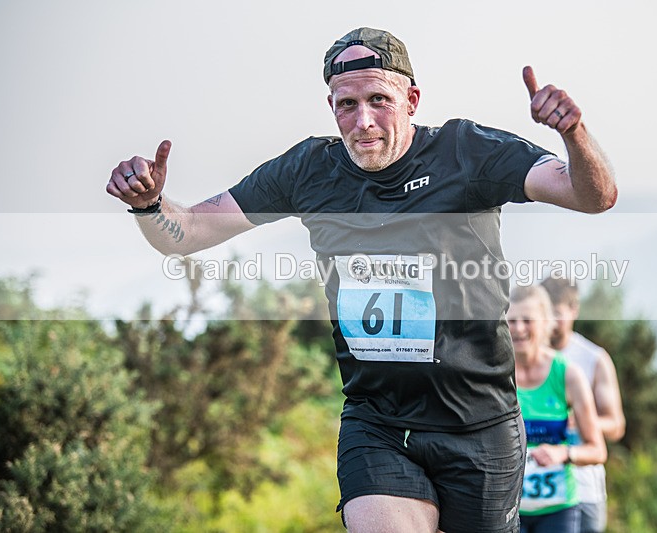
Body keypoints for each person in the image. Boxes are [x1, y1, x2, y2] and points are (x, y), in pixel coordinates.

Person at [106, 27, 617, 533]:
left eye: (379, 100)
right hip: (378, 421)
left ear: (411, 100)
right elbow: (188, 231)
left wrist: (573, 133)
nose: (363, 121)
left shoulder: (467, 152)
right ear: (331, 107)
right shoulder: (308, 170)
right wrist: (149, 204)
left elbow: (593, 196)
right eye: (346, 104)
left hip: (478, 424)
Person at [507, 285, 606, 533]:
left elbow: (597, 450)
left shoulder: (568, 374)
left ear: (545, 322)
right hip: (508, 509)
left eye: (527, 320)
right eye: (512, 321)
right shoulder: (495, 375)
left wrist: (563, 453)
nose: (519, 328)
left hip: (558, 511)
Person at [540, 277, 625, 533]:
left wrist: (581, 419)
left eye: (557, 313)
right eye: (545, 313)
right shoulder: (525, 357)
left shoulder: (594, 358)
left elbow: (616, 425)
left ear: (574, 309)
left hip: (584, 488)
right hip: (536, 490)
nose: (550, 321)